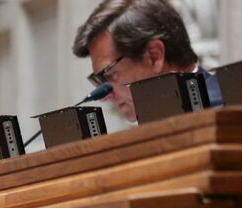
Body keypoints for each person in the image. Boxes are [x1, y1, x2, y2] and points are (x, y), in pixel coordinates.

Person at [73, 0, 223, 123]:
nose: (104, 97)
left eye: (110, 75)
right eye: (98, 81)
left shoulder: (222, 115)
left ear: (154, 56)